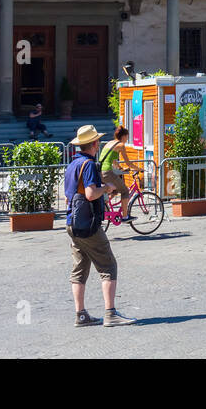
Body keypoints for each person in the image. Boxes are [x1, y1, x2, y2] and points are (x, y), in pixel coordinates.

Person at [64, 125, 136, 327]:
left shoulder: (72, 165)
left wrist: (102, 194)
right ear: (95, 144)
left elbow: (72, 194)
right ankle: (110, 313)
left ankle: (81, 314)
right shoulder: (88, 165)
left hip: (73, 222)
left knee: (79, 269)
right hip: (88, 224)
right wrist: (107, 187)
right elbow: (89, 193)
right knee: (108, 266)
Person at [98, 127, 136, 222]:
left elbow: (113, 160)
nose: (127, 139)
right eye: (127, 136)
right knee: (125, 191)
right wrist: (139, 168)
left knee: (114, 191)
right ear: (123, 136)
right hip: (107, 172)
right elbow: (128, 162)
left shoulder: (110, 143)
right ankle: (125, 216)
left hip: (100, 171)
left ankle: (105, 206)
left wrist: (120, 168)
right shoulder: (120, 145)